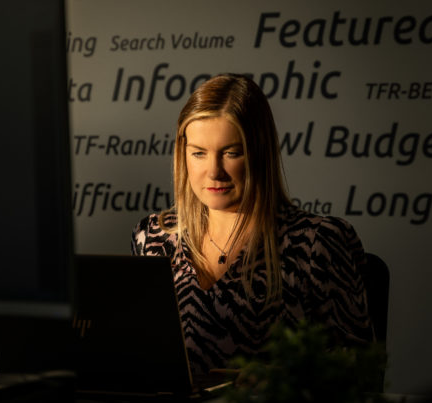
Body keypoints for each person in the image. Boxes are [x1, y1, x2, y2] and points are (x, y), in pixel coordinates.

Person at [131, 74, 374, 374]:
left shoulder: (317, 243)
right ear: (183, 155)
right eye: (198, 153)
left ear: (260, 153)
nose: (214, 172)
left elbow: (362, 369)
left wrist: (276, 380)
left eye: (231, 153)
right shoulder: (153, 237)